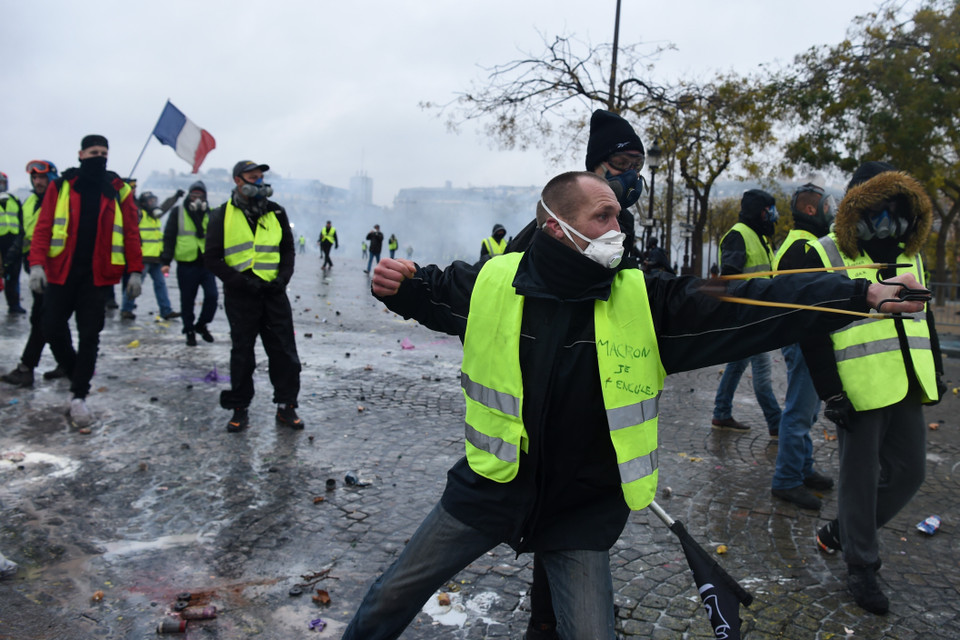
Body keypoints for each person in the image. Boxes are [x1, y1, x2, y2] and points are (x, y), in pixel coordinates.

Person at [342, 171, 925, 639]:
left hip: (581, 506)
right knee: (390, 597)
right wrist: (400, 284)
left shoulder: (645, 299)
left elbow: (748, 298)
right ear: (555, 228)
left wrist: (857, 293)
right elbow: (433, 290)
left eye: (619, 215)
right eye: (603, 216)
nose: (619, 226)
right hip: (488, 488)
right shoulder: (492, 283)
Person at [802, 162, 943, 615]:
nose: (888, 217)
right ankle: (862, 564)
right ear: (856, 205)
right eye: (878, 205)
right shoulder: (828, 251)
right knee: (859, 481)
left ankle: (842, 532)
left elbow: (927, 315)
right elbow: (811, 327)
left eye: (897, 207)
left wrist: (935, 370)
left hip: (907, 382)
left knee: (910, 472)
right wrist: (831, 391)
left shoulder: (909, 252)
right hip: (858, 388)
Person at [27, 134, 143, 427]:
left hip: (98, 275)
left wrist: (136, 270)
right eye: (94, 151)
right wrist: (37, 263)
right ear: (81, 154)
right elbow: (44, 226)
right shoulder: (61, 185)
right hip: (62, 270)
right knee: (51, 326)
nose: (99, 156)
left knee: (90, 334)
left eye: (104, 152)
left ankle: (79, 395)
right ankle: (73, 368)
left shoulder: (119, 190)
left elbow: (131, 232)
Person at [205, 160, 303, 432]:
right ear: (238, 180)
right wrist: (241, 282)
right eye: (252, 177)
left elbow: (288, 251)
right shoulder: (221, 214)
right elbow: (212, 258)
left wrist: (283, 279)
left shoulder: (277, 212)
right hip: (241, 296)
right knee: (242, 354)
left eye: (261, 177)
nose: (259, 181)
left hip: (273, 294)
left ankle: (287, 406)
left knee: (284, 352)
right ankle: (239, 408)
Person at [770, 183, 838, 510]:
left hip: (796, 336)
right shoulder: (806, 247)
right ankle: (787, 479)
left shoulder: (799, 242)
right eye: (827, 206)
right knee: (799, 411)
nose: (831, 211)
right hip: (803, 338)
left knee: (808, 411)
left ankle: (804, 467)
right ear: (811, 210)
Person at [506, 109, 646, 265]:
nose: (631, 174)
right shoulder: (562, 212)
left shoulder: (625, 220)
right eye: (621, 162)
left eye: (637, 165)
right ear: (595, 167)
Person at [710, 189, 782, 437]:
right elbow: (731, 277)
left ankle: (721, 413)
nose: (772, 216)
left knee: (737, 365)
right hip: (749, 318)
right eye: (768, 210)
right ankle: (776, 422)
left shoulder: (758, 236)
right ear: (758, 211)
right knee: (762, 373)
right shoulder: (739, 235)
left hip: (757, 315)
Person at [1, 160, 71, 387]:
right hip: (35, 268)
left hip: (57, 268)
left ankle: (27, 367)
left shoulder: (62, 200)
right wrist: (9, 261)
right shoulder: (30, 201)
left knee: (41, 318)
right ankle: (67, 364)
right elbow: (24, 234)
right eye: (35, 178)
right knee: (52, 320)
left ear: (52, 177)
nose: (38, 182)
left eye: (42, 177)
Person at [161, 181, 218, 346]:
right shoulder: (178, 212)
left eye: (200, 195)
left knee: (212, 296)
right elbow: (169, 236)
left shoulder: (211, 213)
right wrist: (166, 261)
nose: (197, 198)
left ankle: (201, 324)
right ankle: (189, 330)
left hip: (207, 263)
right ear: (189, 195)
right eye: (194, 195)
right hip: (186, 263)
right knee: (187, 300)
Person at [120, 188, 182, 321]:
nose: (153, 203)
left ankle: (166, 310)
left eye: (154, 200)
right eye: (150, 201)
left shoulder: (155, 216)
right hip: (142, 257)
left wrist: (175, 197)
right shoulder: (139, 214)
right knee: (135, 284)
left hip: (156, 258)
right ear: (143, 203)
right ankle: (126, 309)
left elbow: (165, 207)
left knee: (161, 285)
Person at [0, 171, 26, 314]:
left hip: (13, 242)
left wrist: (18, 243)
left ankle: (14, 304)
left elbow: (21, 222)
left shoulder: (13, 200)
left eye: (2, 183)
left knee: (13, 277)